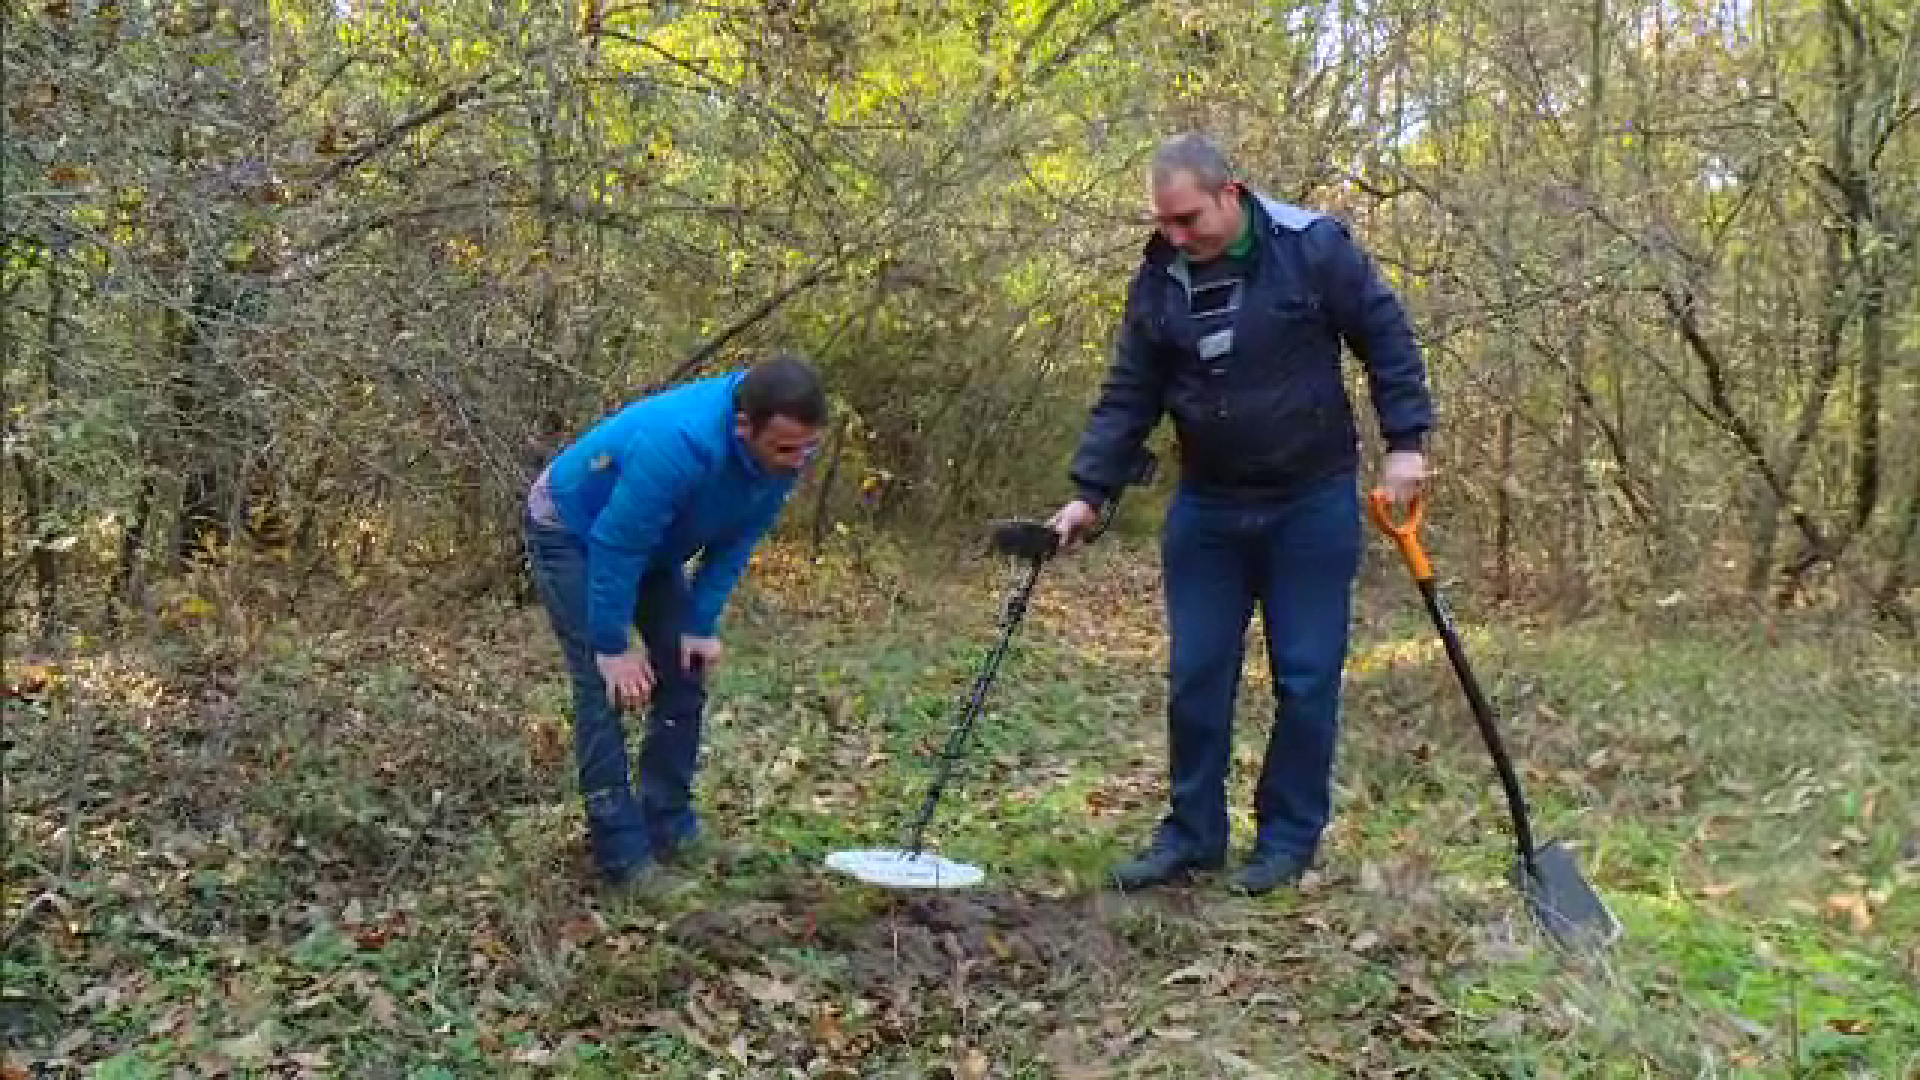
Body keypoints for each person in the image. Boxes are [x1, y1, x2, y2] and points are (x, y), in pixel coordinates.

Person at [1049, 133, 1434, 895]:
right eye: (1164, 222)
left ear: (1231, 193)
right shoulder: (1160, 276)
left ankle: (1287, 840)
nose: (1176, 236)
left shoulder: (1312, 248)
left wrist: (1406, 445)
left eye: (1188, 219)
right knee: (1196, 674)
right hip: (1209, 509)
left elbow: (1385, 336)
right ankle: (1193, 835)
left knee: (1306, 676)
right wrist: (1090, 492)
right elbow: (1132, 388)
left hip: (1310, 503)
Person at [523, 353, 828, 887]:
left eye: (808, 448)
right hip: (572, 526)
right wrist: (613, 645)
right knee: (604, 687)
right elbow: (617, 543)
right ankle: (622, 858)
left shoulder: (785, 456)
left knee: (685, 671)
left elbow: (736, 542)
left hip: (652, 545)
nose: (797, 461)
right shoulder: (681, 443)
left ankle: (668, 825)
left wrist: (700, 626)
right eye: (784, 449)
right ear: (742, 426)